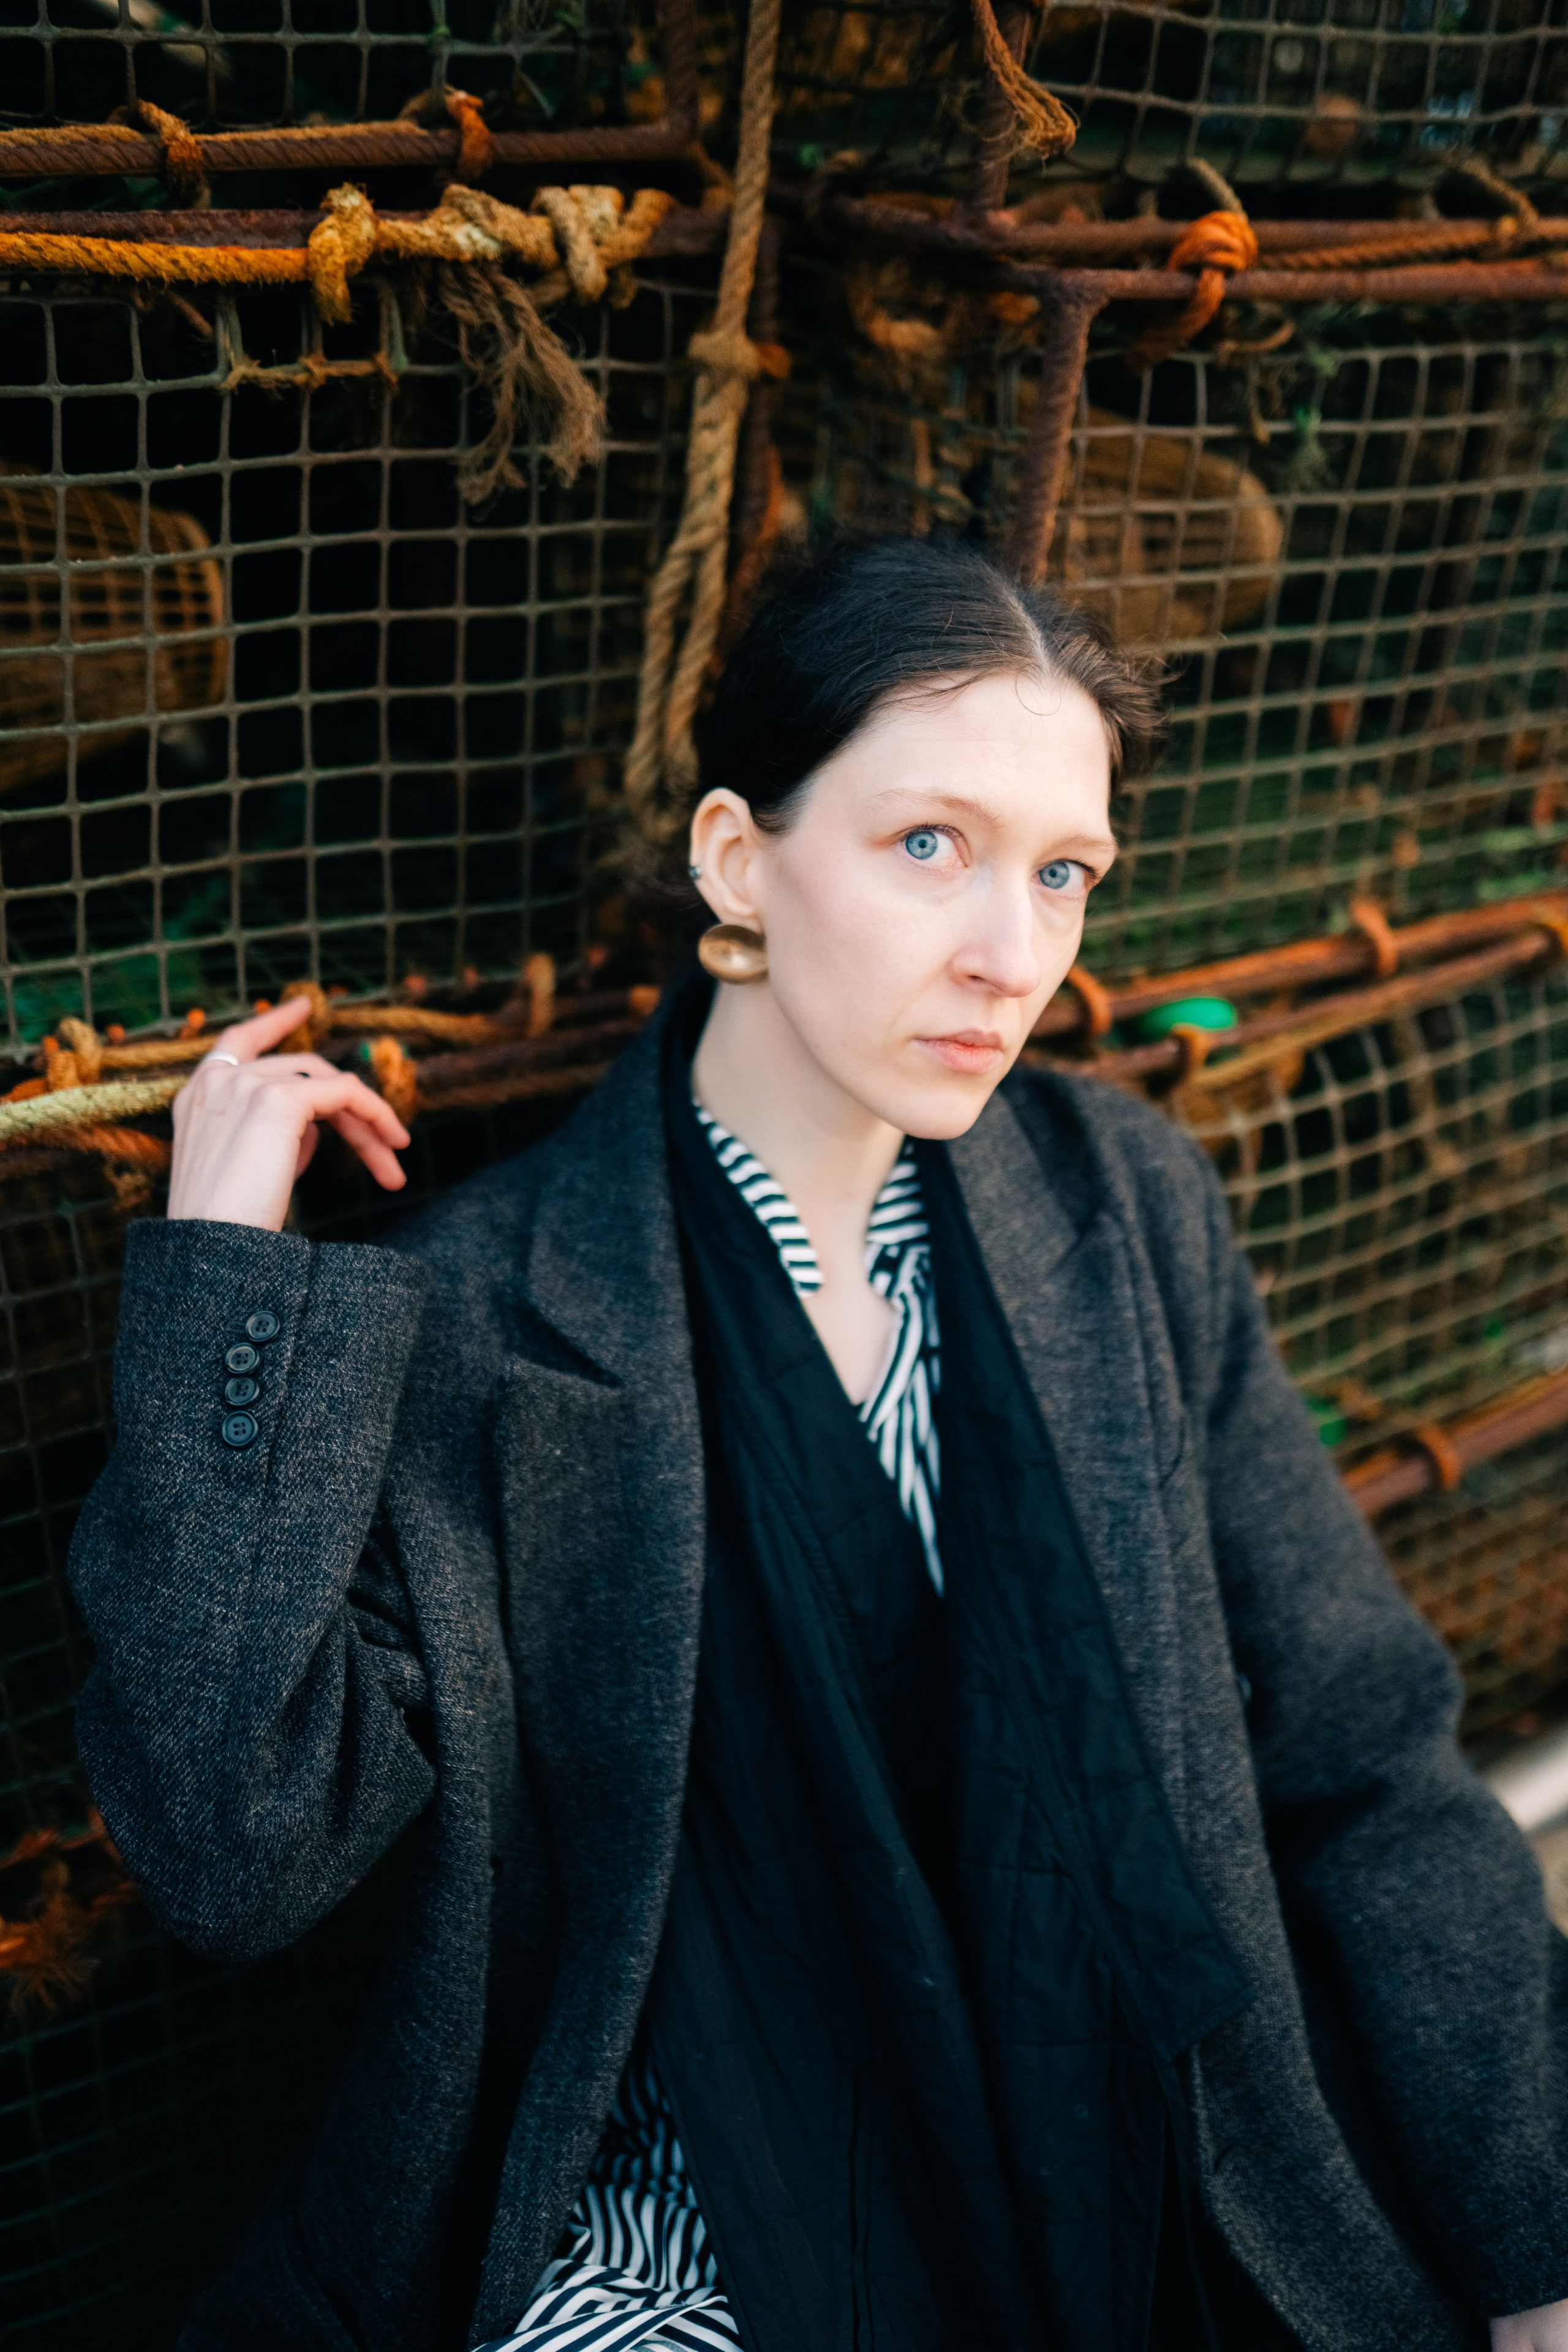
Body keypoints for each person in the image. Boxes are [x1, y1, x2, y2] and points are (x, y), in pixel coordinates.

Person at [67, 536, 1568, 2352]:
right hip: (685, 2225)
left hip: (1162, 2157)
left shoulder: (1118, 1209)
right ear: (737, 860)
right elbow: (236, 1850)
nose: (1010, 954)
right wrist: (233, 1287)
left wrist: (1538, 2243)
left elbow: (1362, 1752)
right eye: (928, 846)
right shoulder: (488, 1307)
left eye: (1066, 873)